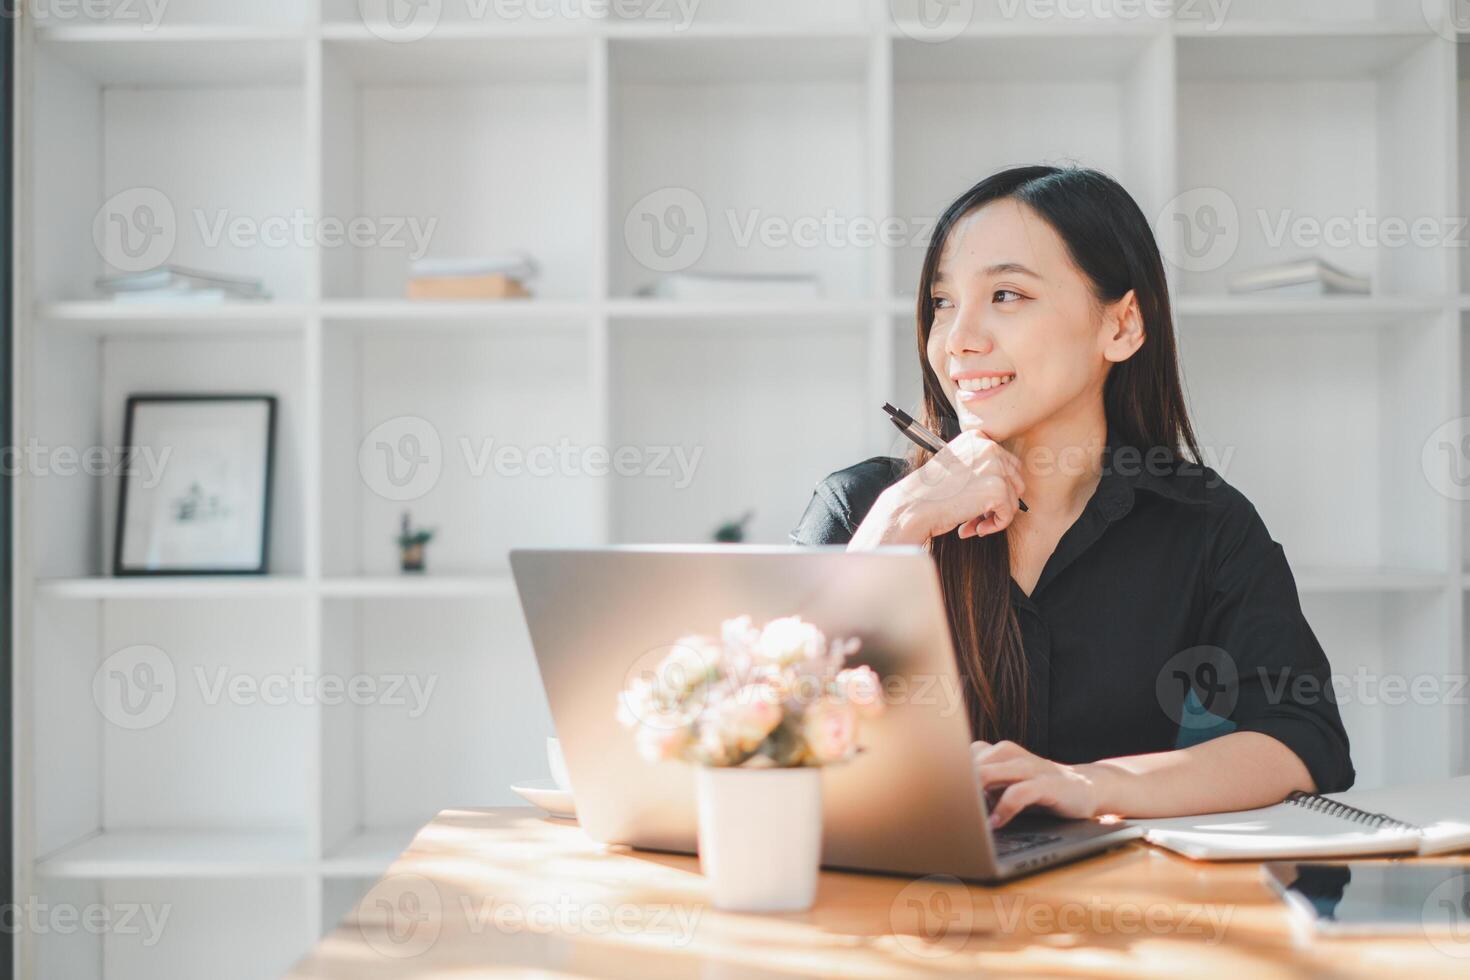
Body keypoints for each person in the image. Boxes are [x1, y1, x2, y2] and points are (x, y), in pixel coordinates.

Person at [791, 166, 1353, 828]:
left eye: (1005, 294)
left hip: (1110, 906)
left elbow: (1300, 736)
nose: (959, 340)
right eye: (943, 303)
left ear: (1122, 326)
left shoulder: (1202, 524)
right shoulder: (865, 506)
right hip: (885, 902)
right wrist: (895, 527)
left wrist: (1094, 784)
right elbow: (757, 730)